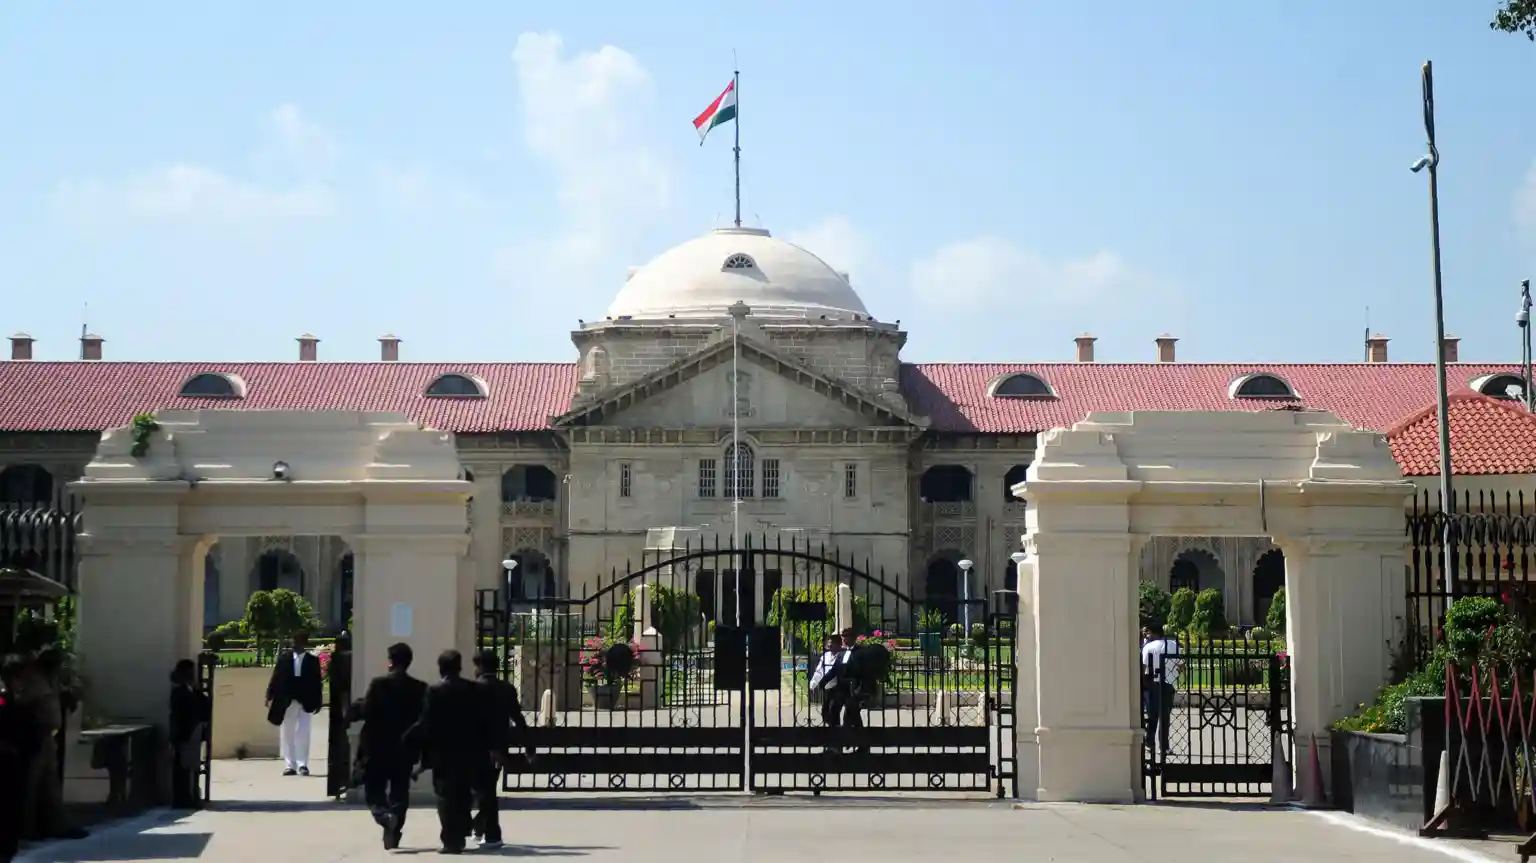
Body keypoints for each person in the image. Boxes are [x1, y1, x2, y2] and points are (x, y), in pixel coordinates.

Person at [406, 649, 496, 855]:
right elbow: (483, 720)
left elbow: (426, 722)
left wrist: (409, 740)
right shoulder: (473, 689)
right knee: (463, 792)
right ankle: (461, 830)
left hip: (443, 751)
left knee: (445, 795)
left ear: (441, 668)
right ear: (459, 667)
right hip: (469, 748)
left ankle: (451, 839)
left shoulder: (435, 691)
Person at [358, 642, 427, 851]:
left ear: (390, 662)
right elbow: (422, 720)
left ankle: (383, 816)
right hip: (405, 748)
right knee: (400, 792)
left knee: (374, 790)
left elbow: (367, 712)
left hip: (378, 746)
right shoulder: (420, 688)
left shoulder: (379, 684)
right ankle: (394, 830)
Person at [469, 651, 534, 850]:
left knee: (484, 791)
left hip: (478, 747)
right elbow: (518, 719)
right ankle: (481, 826)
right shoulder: (506, 689)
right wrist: (528, 746)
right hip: (500, 746)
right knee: (487, 788)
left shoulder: (473, 689)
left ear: (479, 666)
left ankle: (491, 833)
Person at [265, 633, 324, 776]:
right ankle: (290, 765)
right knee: (288, 732)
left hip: (306, 699)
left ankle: (302, 764)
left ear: (305, 643)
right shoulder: (284, 658)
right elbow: (276, 677)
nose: (296, 644)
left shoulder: (312, 661)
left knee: (304, 732)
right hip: (288, 699)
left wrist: (318, 701)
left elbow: (317, 682)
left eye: (299, 641)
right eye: (295, 641)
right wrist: (269, 695)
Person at [168, 659, 211, 810]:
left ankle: (190, 796)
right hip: (185, 734)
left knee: (190, 766)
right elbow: (179, 715)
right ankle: (183, 799)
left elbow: (204, 704)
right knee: (184, 767)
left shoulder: (189, 690)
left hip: (191, 733)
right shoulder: (180, 692)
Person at [1140, 624, 1181, 755]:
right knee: (1164, 717)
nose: (1147, 636)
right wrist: (1175, 673)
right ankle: (1164, 747)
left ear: (1154, 633)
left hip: (1151, 684)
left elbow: (1143, 667)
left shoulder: (1148, 647)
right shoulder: (1173, 644)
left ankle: (1149, 743)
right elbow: (1181, 664)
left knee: (1152, 716)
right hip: (1168, 683)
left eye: (1148, 633)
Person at [807, 634, 846, 753]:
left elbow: (837, 671)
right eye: (828, 643)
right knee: (826, 713)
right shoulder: (826, 656)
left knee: (834, 712)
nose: (829, 645)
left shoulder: (843, 655)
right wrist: (813, 683)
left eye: (832, 643)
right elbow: (819, 670)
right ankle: (833, 739)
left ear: (839, 644)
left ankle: (836, 744)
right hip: (827, 688)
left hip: (839, 688)